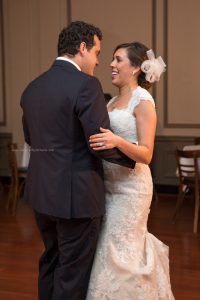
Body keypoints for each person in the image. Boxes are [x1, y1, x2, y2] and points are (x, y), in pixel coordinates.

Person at [20, 22, 135, 300]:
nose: (98, 60)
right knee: (72, 274)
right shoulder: (86, 84)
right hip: (76, 197)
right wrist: (136, 158)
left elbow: (32, 139)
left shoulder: (32, 88)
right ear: (81, 48)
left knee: (51, 260)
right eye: (97, 52)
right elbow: (98, 142)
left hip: (40, 194)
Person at [86, 42, 175, 299]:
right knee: (108, 247)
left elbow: (147, 153)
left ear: (135, 67)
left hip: (132, 189)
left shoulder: (143, 100)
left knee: (120, 248)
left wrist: (118, 141)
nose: (111, 65)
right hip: (108, 186)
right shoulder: (112, 101)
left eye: (118, 60)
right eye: (112, 60)